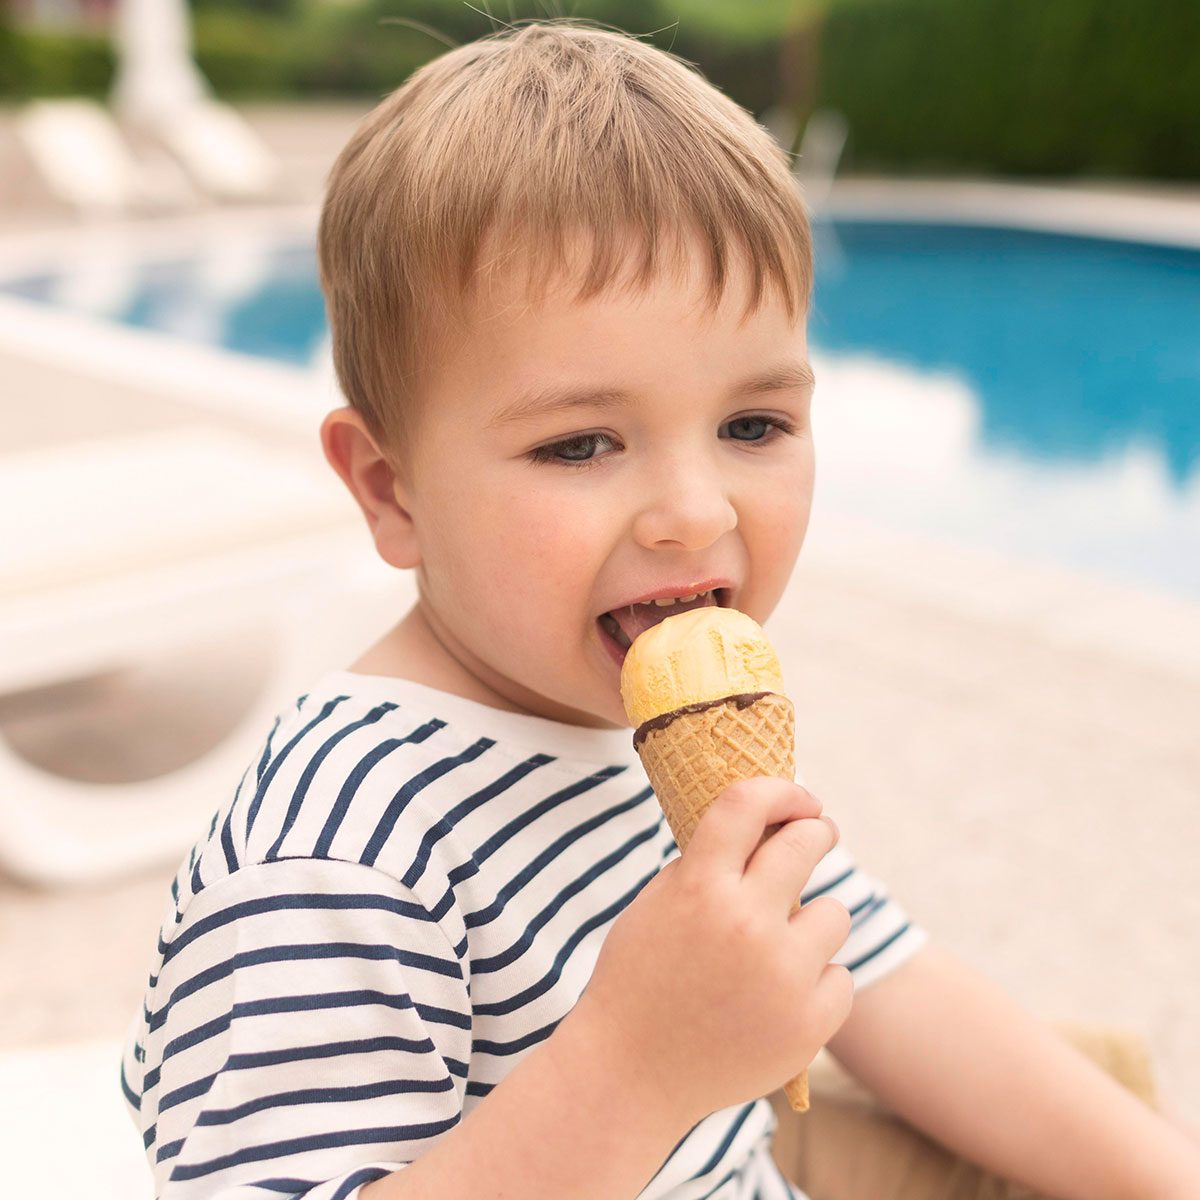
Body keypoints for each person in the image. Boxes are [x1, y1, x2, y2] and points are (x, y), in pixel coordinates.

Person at [121, 20, 1200, 1200]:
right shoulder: (341, 850)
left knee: (1087, 1090)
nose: (692, 512)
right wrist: (635, 1067)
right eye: (580, 442)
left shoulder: (670, 732)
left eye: (754, 427)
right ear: (392, 490)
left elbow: (890, 984)